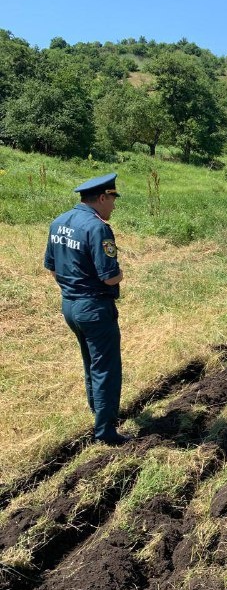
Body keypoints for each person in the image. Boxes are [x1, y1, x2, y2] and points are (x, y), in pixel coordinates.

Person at [44, 173, 129, 444]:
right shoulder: (98, 228)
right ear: (102, 198)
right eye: (113, 199)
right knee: (106, 368)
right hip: (94, 308)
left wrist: (75, 290)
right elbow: (109, 276)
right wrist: (120, 275)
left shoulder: (59, 222)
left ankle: (98, 410)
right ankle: (106, 431)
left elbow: (53, 269)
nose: (114, 206)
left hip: (70, 306)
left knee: (90, 362)